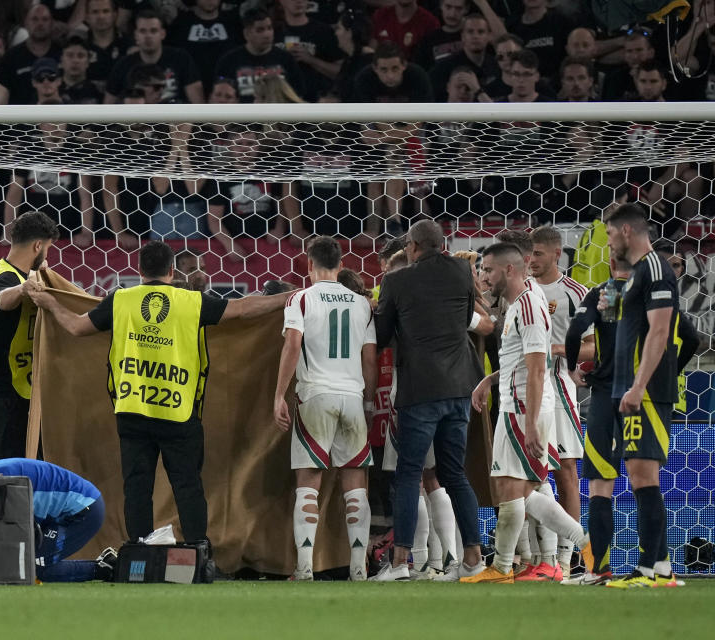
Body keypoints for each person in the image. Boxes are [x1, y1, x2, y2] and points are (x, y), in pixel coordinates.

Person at [27, 240, 292, 545]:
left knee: (137, 488)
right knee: (188, 485)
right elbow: (244, 309)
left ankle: (139, 551)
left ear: (139, 270)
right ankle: (195, 550)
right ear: (171, 270)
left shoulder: (121, 300)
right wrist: (293, 296)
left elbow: (74, 326)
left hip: (132, 409)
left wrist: (49, 303)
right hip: (177, 410)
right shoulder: (191, 301)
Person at [565, 255, 699, 585]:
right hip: (639, 394)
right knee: (645, 481)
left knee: (600, 484)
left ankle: (600, 569)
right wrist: (667, 371)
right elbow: (692, 339)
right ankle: (660, 563)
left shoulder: (607, 293)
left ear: (611, 259)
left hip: (604, 397)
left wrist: (571, 367)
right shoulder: (648, 296)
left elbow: (575, 331)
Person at [463, 243, 593, 583]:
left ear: (509, 270)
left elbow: (538, 368)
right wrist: (489, 381)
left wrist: (533, 424)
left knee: (515, 489)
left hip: (524, 409)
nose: (483, 277)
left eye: (488, 270)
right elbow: (521, 361)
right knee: (519, 491)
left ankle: (514, 565)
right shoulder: (520, 305)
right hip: (514, 404)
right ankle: (513, 566)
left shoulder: (530, 308)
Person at [373, 220, 483, 581]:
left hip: (420, 388)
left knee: (408, 474)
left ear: (413, 246)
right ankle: (472, 560)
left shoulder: (396, 281)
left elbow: (383, 333)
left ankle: (401, 563)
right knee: (455, 474)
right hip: (460, 387)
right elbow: (467, 318)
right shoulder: (462, 271)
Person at [272, 236, 377, 581]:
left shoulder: (300, 299)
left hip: (315, 394)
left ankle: (304, 569)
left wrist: (279, 395)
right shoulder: (362, 303)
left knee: (308, 483)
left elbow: (292, 344)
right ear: (341, 265)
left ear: (308, 264)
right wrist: (368, 400)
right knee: (356, 484)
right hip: (352, 396)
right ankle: (359, 570)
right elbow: (369, 356)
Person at [602, 204, 687, 588]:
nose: (607, 242)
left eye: (608, 234)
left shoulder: (655, 269)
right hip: (635, 389)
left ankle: (649, 569)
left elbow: (660, 331)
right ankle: (663, 567)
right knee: (640, 476)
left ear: (624, 231)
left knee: (642, 477)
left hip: (647, 391)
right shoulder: (639, 273)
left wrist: (638, 386)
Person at [525, 225, 593, 580]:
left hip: (558, 386)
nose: (531, 260)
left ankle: (569, 558)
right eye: (528, 253)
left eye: (537, 253)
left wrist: (559, 349)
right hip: (522, 389)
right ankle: (538, 557)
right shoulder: (521, 290)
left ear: (556, 254)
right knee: (527, 475)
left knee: (565, 470)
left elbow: (596, 345)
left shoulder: (574, 293)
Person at [0, 211, 58, 470]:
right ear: (38, 246)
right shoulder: (6, 277)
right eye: (48, 249)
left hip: (9, 389)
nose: (47, 256)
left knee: (17, 468)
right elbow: (2, 298)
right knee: (3, 472)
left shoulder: (20, 275)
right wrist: (23, 289)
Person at [0, 458, 115, 583]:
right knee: (21, 562)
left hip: (84, 509)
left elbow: (22, 534)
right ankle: (104, 564)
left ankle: (105, 569)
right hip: (71, 505)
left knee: (30, 569)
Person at [104, 10, 203, 104]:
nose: (148, 36)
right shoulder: (124, 65)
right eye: (143, 31)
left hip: (174, 118)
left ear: (162, 34)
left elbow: (197, 104)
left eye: (153, 31)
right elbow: (107, 108)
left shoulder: (181, 58)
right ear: (136, 35)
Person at [214, 9, 306, 103]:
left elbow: (298, 96)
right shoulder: (229, 61)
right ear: (246, 34)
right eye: (260, 30)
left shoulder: (286, 59)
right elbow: (220, 97)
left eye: (270, 28)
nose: (267, 34)